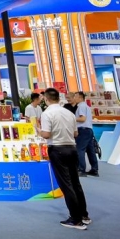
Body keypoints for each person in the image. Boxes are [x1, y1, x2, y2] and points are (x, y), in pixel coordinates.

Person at [39, 88, 89, 230]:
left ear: (46, 99)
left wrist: (39, 131)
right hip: (72, 148)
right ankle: (84, 215)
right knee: (75, 183)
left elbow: (46, 134)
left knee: (66, 185)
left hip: (57, 149)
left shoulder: (47, 113)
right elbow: (75, 133)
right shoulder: (69, 113)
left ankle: (76, 219)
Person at [71, 92, 98, 177]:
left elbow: (82, 119)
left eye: (75, 97)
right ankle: (94, 169)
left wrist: (72, 118)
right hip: (89, 130)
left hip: (82, 130)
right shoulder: (87, 106)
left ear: (80, 98)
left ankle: (81, 169)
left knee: (80, 149)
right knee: (90, 150)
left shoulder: (81, 106)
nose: (74, 98)